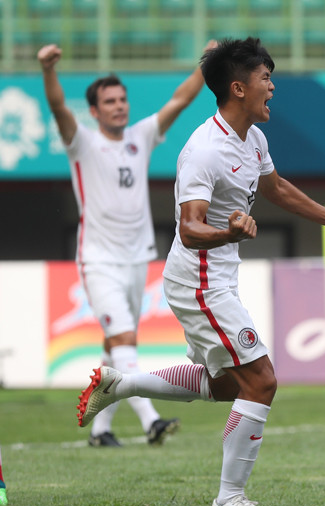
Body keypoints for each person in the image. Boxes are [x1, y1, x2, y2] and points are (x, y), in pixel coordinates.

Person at [76, 37, 325, 506]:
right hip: (197, 279)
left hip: (216, 276)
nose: (273, 88)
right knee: (262, 380)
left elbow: (273, 187)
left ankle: (123, 384)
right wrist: (228, 231)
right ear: (238, 88)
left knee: (224, 386)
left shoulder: (253, 138)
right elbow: (189, 229)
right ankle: (229, 498)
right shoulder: (203, 150)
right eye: (266, 79)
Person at [38, 41, 218, 447]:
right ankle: (151, 420)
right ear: (95, 110)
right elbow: (58, 109)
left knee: (113, 346)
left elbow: (181, 99)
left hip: (138, 258)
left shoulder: (141, 136)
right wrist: (49, 71)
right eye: (110, 101)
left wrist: (208, 63)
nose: (119, 106)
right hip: (98, 260)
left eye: (122, 99)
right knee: (123, 339)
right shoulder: (81, 142)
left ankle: (100, 431)